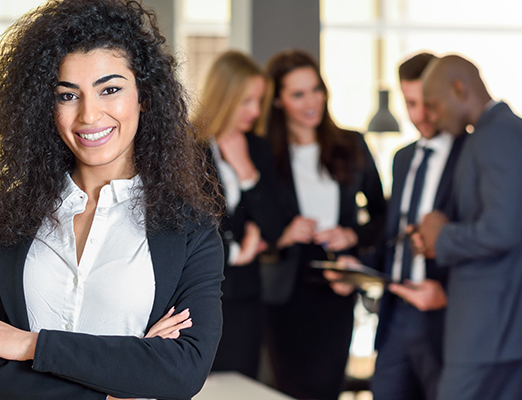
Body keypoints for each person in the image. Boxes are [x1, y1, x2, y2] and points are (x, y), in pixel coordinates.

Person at [0, 1, 225, 399]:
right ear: (45, 107)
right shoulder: (6, 215)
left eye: (110, 89)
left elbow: (183, 371)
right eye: (67, 95)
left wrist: (27, 345)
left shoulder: (190, 232)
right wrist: (115, 383)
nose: (89, 115)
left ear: (144, 96)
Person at [414, 54, 522, 400]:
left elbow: (501, 230)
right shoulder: (510, 132)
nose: (430, 117)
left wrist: (442, 237)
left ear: (459, 89)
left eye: (434, 106)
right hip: (504, 320)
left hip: (489, 322)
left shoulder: (497, 137)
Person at [326, 52, 465, 400]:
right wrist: (359, 268)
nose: (419, 115)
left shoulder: (469, 155)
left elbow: (476, 238)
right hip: (395, 318)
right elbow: (394, 237)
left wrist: (450, 294)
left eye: (426, 103)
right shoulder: (402, 159)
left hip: (443, 319)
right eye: (410, 103)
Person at [263, 49, 387, 399]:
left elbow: (382, 213)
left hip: (336, 287)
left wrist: (352, 235)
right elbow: (249, 222)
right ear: (278, 101)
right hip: (286, 293)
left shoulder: (350, 144)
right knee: (287, 388)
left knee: (328, 387)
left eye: (316, 89)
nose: (311, 101)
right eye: (297, 94)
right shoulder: (266, 155)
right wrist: (283, 236)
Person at [192, 50, 283, 379]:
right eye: (246, 101)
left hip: (245, 296)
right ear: (224, 96)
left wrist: (247, 172)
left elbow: (274, 227)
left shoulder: (257, 148)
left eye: (259, 101)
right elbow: (185, 227)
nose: (255, 111)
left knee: (242, 383)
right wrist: (236, 251)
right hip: (198, 296)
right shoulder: (186, 147)